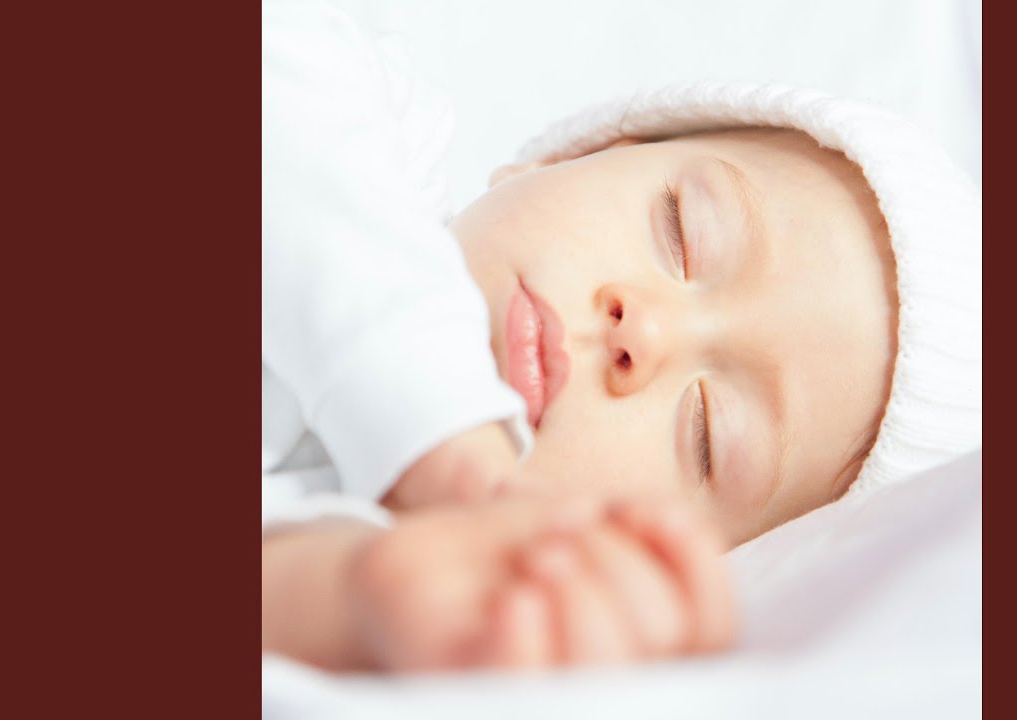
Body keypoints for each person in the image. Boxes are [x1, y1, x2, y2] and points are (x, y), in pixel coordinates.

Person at [262, 0, 980, 673]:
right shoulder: (372, 124)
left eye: (707, 435)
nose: (647, 330)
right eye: (682, 232)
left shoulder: (394, 567)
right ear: (577, 154)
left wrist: (356, 598)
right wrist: (449, 443)